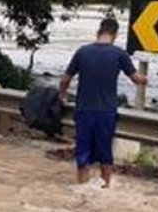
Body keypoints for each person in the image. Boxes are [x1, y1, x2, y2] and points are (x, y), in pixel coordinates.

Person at [58, 17, 148, 188]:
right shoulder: (119, 54)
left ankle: (82, 186)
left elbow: (65, 79)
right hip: (106, 112)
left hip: (84, 110)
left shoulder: (82, 52)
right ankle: (106, 187)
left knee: (83, 153)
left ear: (98, 32)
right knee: (105, 153)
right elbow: (137, 79)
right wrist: (145, 78)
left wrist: (62, 94)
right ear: (115, 35)